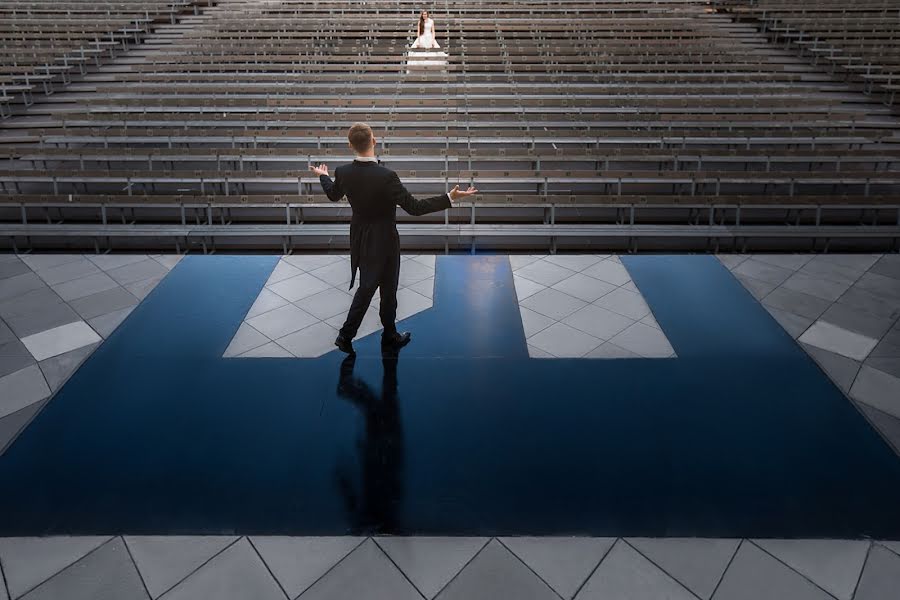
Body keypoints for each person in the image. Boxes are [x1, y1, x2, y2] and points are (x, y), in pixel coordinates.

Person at [309, 122, 477, 354]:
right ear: (374, 141)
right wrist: (450, 197)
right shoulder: (387, 176)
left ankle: (374, 334)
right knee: (386, 288)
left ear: (350, 145)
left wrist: (323, 176)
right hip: (385, 239)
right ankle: (361, 335)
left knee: (369, 287)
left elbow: (333, 195)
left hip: (360, 237)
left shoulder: (343, 172)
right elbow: (415, 208)